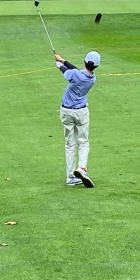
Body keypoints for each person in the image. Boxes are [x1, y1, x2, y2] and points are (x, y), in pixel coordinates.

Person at [55, 50, 100, 187]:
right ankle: (82, 168)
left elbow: (67, 72)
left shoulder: (74, 75)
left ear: (85, 61)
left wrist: (59, 64)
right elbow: (76, 71)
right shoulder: (92, 78)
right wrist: (63, 60)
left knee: (70, 144)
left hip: (66, 112)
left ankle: (70, 177)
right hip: (81, 112)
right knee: (83, 142)